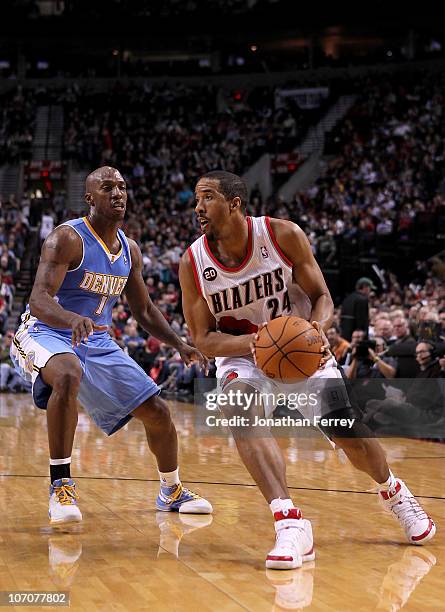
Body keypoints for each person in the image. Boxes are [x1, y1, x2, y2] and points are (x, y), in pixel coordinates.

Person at [179, 170, 435, 570]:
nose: (198, 208)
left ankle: (393, 490)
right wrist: (257, 342)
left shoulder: (282, 235)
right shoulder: (193, 262)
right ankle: (289, 522)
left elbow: (322, 298)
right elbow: (203, 339)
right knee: (236, 407)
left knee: (348, 432)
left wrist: (316, 328)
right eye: (196, 200)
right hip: (242, 355)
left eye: (207, 198)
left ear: (234, 204)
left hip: (300, 348)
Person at [10, 166, 212, 525]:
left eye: (121, 187)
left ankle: (172, 490)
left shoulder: (129, 250)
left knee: (158, 412)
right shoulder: (66, 239)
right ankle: (61, 486)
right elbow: (39, 299)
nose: (118, 193)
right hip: (43, 331)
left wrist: (180, 343)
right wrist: (71, 319)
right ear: (90, 198)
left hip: (96, 339)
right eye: (107, 188)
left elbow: (145, 310)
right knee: (68, 373)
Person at [340, 277, 375, 341]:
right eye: (370, 288)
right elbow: (362, 320)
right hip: (356, 338)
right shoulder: (362, 300)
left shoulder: (347, 298)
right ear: (365, 287)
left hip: (344, 335)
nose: (370, 291)